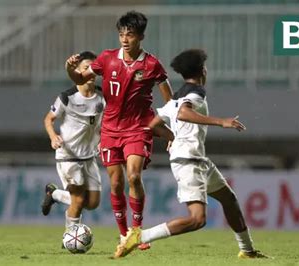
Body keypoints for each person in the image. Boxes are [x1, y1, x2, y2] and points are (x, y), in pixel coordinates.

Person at [114, 49, 268, 259]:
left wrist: (172, 137)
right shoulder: (195, 91)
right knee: (197, 220)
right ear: (203, 70)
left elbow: (153, 125)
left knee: (229, 199)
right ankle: (139, 237)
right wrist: (221, 121)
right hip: (189, 162)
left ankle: (248, 250)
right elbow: (183, 113)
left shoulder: (176, 96)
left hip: (196, 159)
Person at [64, 11, 173, 249]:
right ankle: (124, 234)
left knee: (133, 176)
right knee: (115, 184)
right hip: (111, 130)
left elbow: (169, 99)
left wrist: (169, 125)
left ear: (141, 36)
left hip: (138, 128)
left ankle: (137, 231)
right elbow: (81, 78)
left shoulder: (152, 64)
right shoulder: (107, 58)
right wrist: (69, 69)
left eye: (130, 35)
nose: (124, 39)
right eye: (121, 34)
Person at [41, 51, 104, 231]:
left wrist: (103, 140)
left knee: (92, 203)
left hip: (89, 157)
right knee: (77, 199)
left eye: (93, 69)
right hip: (68, 155)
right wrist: (53, 137)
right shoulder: (67, 97)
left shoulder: (102, 96)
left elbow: (104, 123)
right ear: (78, 71)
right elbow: (48, 119)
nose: (90, 73)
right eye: (86, 68)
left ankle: (53, 193)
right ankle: (70, 236)